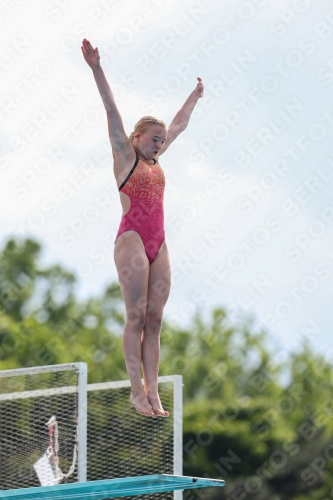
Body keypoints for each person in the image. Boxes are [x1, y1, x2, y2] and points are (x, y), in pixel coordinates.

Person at [81, 38, 204, 417]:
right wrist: (97, 68)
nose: (159, 146)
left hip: (159, 243)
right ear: (136, 138)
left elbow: (179, 124)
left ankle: (154, 392)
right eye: (154, 140)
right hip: (132, 240)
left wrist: (195, 95)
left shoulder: (155, 160)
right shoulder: (125, 157)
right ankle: (136, 391)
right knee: (135, 317)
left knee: (155, 319)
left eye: (161, 142)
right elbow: (111, 109)